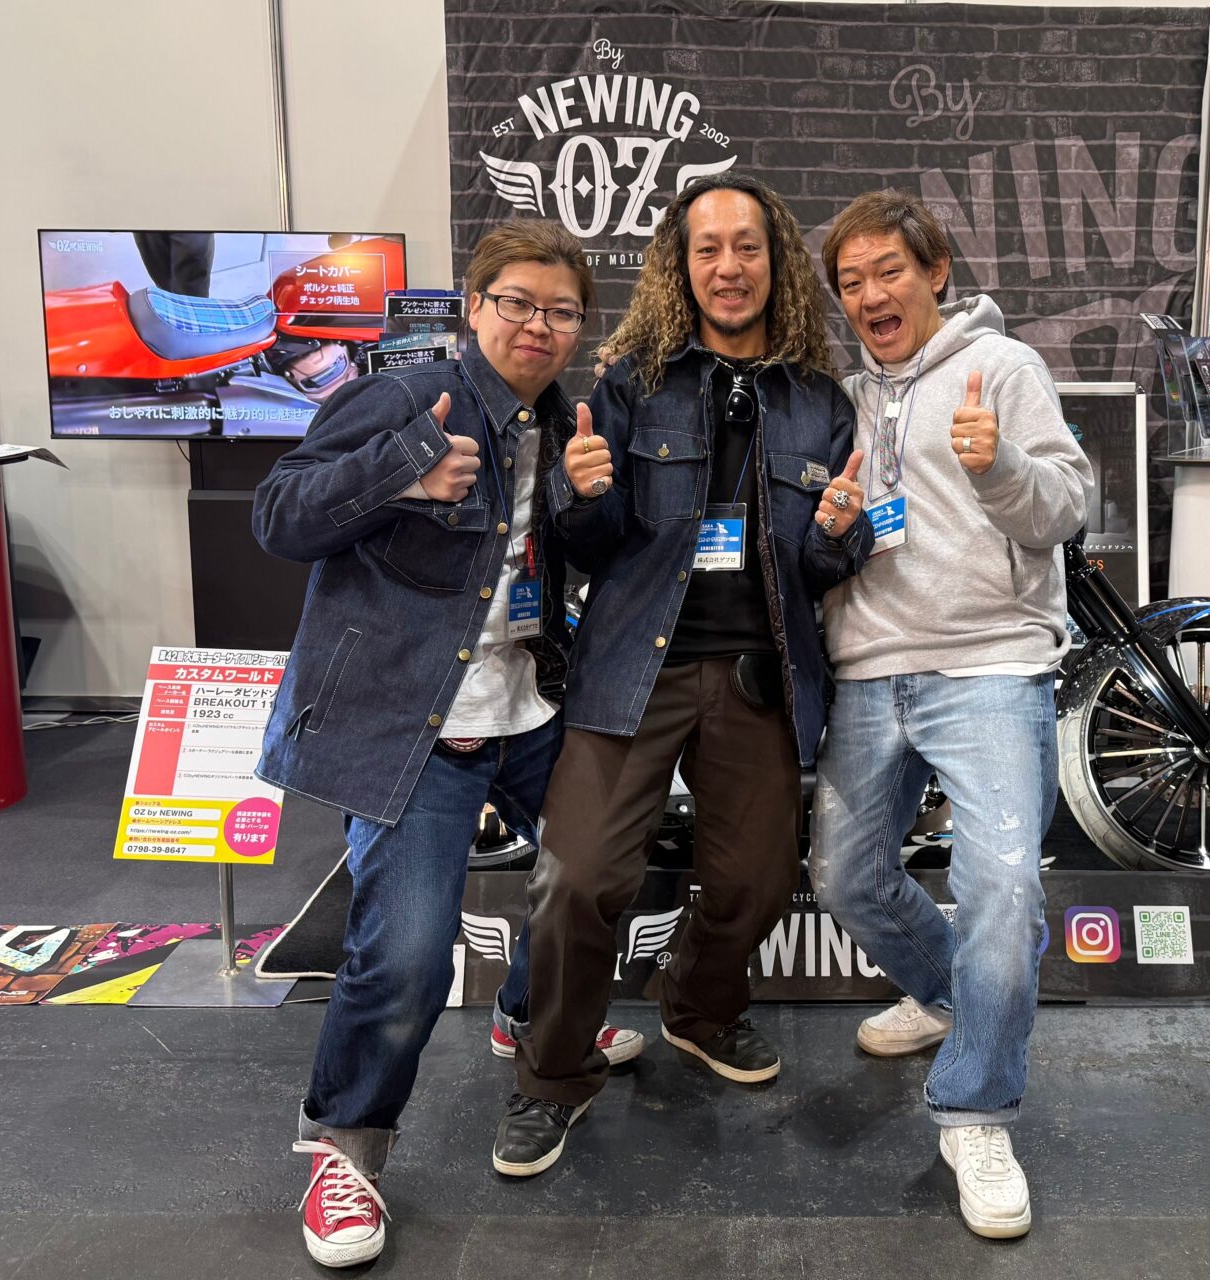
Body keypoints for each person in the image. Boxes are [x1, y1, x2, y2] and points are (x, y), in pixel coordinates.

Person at [251, 218, 635, 1268]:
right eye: (517, 303)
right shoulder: (400, 400)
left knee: (598, 874)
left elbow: (571, 562)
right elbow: (277, 516)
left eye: (561, 312)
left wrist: (590, 502)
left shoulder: (566, 421)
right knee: (409, 958)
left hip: (530, 708)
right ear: (474, 308)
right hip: (414, 724)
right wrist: (403, 467)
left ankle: (528, 1015)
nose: (538, 326)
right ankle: (345, 1146)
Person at [493, 173, 872, 1177]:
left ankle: (698, 1004)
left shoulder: (821, 403)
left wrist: (842, 533)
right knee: (577, 878)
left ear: (775, 261)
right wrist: (579, 497)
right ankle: (553, 1075)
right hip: (634, 669)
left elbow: (822, 566)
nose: (728, 266)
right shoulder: (630, 384)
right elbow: (588, 540)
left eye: (747, 246)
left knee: (757, 881)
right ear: (681, 264)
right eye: (708, 248)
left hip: (759, 678)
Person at [809, 189, 1092, 1240]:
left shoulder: (1002, 368)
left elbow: (1066, 506)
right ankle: (942, 993)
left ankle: (976, 1110)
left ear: (934, 272)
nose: (870, 294)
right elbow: (829, 541)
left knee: (1004, 889)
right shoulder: (842, 396)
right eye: (851, 281)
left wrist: (997, 464)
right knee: (846, 878)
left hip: (990, 664)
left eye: (889, 270)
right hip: (869, 668)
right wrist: (830, 526)